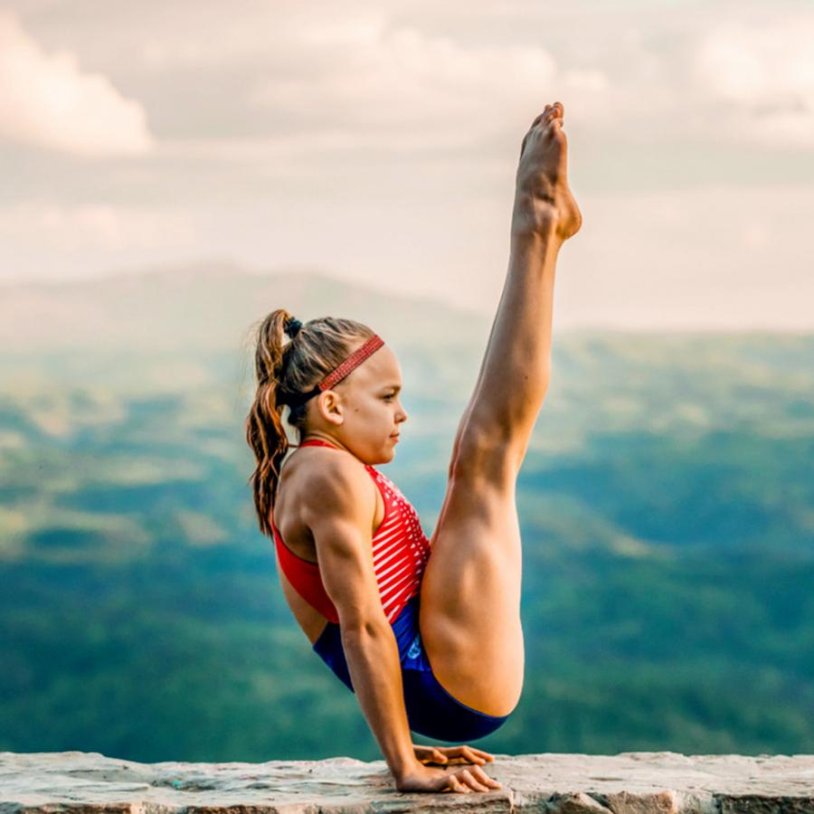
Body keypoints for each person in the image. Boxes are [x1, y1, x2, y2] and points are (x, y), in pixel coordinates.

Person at [245, 101, 582, 794]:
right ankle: (538, 228)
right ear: (332, 405)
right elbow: (363, 626)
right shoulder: (326, 479)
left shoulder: (315, 467)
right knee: (485, 457)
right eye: (387, 398)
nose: (403, 416)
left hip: (434, 661)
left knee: (481, 458)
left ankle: (542, 230)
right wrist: (404, 764)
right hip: (446, 678)